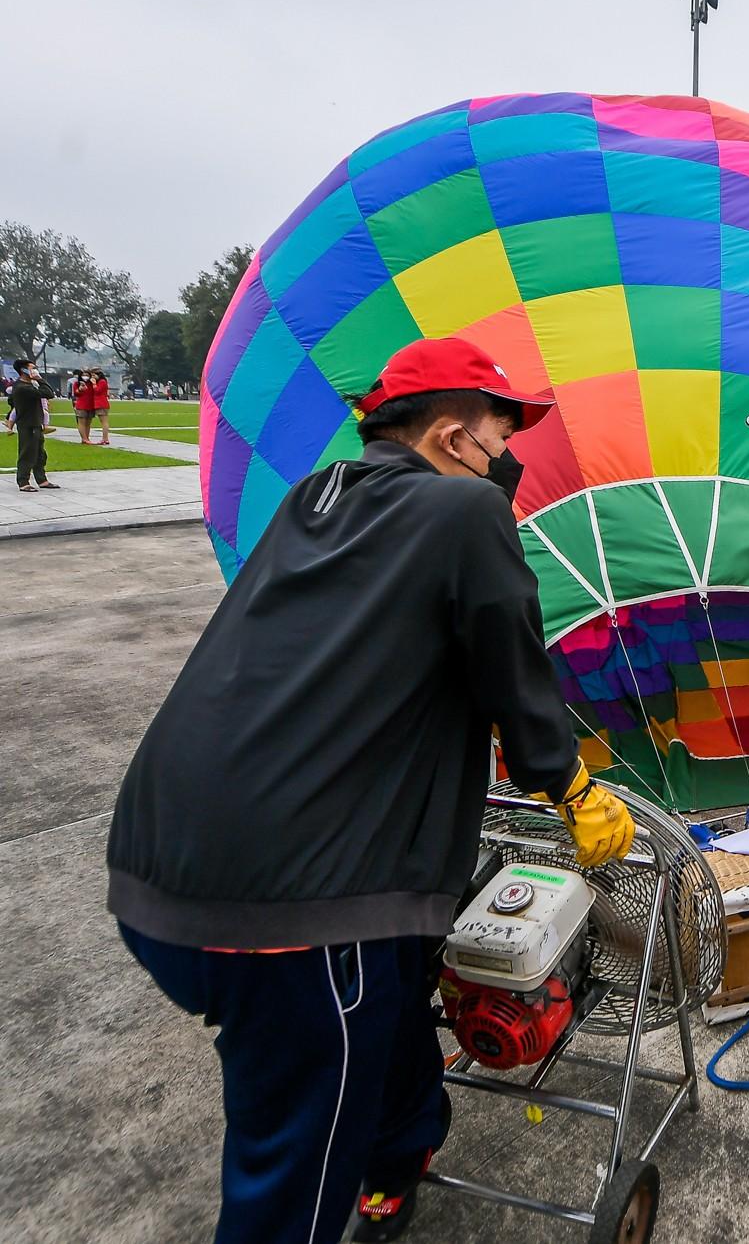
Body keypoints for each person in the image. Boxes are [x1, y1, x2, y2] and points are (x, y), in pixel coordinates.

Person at [109, 336, 630, 1243]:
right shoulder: (466, 512)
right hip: (290, 907)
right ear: (453, 434)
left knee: (389, 990)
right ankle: (354, 1177)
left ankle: (400, 1156)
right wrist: (570, 786)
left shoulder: (311, 498)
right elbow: (514, 669)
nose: (512, 456)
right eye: (503, 434)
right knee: (296, 1167)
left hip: (156, 858)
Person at [9, 359, 57, 492]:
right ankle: (23, 481)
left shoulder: (29, 385)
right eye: (32, 368)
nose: (35, 370)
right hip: (27, 424)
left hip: (36, 423)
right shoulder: (22, 387)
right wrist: (40, 379)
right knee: (27, 453)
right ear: (23, 370)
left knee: (40, 454)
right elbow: (48, 393)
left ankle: (41, 479)